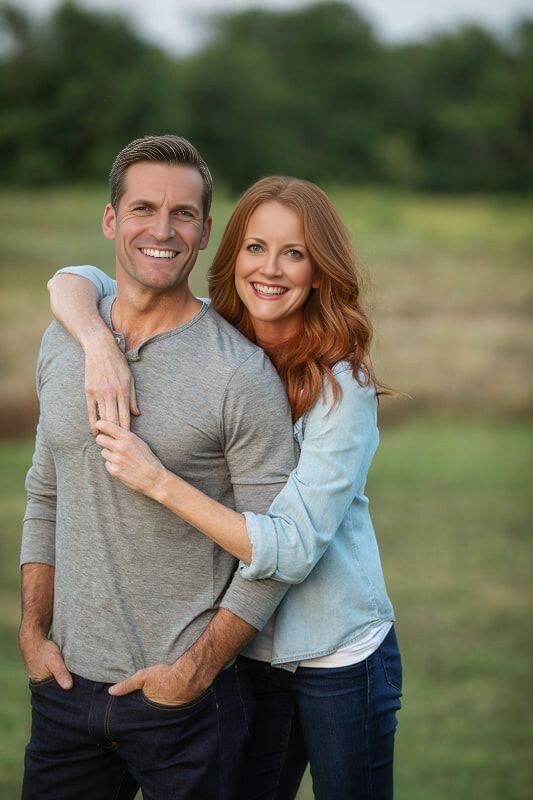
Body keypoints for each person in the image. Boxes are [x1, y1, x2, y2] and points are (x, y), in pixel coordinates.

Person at [49, 175, 403, 800]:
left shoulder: (342, 388)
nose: (271, 269)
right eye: (256, 248)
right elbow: (72, 280)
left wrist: (159, 482)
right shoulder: (216, 339)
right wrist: (98, 342)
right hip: (245, 654)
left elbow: (292, 548)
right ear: (231, 253)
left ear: (319, 271)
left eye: (294, 253)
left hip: (336, 654)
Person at [20, 136, 298, 800]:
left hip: (190, 706)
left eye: (183, 215)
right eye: (143, 209)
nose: (163, 230)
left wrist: (193, 673)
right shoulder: (64, 339)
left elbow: (276, 551)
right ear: (111, 220)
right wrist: (33, 633)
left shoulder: (239, 372)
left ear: (205, 231)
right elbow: (46, 493)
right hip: (64, 692)